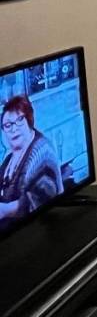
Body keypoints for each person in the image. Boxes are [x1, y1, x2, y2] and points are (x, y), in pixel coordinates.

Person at [0, 95, 63, 224]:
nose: (14, 129)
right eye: (7, 125)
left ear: (29, 119)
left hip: (44, 226)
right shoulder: (9, 158)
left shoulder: (43, 152)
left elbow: (41, 200)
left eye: (20, 120)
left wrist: (5, 210)